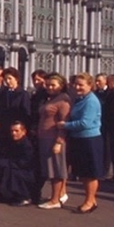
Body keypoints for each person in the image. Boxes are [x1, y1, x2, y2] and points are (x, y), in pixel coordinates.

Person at [58, 72, 103, 214]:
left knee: (90, 173)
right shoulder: (80, 99)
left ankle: (90, 201)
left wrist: (65, 125)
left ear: (90, 85)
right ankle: (90, 200)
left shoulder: (91, 101)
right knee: (84, 172)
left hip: (90, 139)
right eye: (76, 84)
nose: (77, 87)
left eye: (81, 85)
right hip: (80, 139)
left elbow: (85, 123)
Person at [36, 73, 70, 209]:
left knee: (56, 169)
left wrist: (59, 142)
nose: (49, 87)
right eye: (48, 84)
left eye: (53, 85)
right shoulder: (51, 98)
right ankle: (54, 196)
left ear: (61, 86)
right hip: (44, 138)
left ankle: (55, 200)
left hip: (53, 138)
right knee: (50, 169)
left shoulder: (63, 100)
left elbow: (64, 122)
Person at [0, 122, 36, 206]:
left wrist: (6, 163)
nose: (13, 133)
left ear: (24, 132)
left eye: (16, 131)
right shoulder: (12, 143)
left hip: (27, 172)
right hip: (15, 167)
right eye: (12, 131)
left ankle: (25, 197)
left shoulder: (27, 145)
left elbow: (25, 163)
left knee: (13, 172)